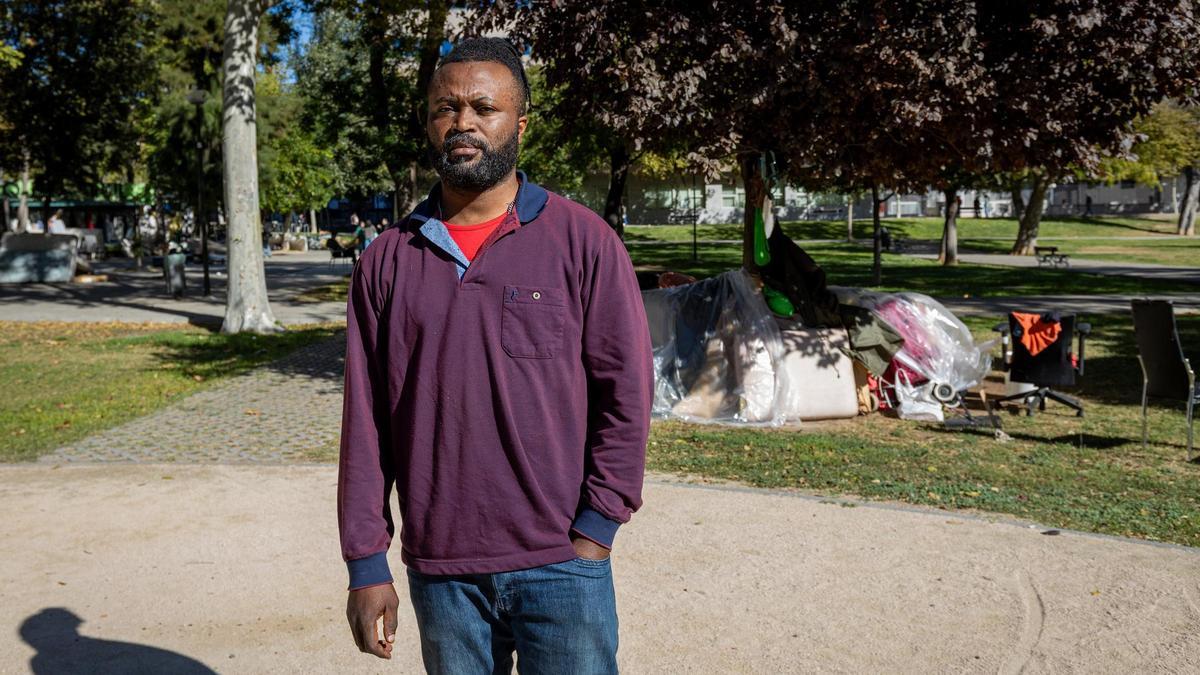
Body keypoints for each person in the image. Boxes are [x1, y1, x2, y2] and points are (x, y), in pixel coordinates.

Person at [339, 37, 653, 673]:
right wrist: (366, 563)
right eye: (444, 109)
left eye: (484, 107)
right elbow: (366, 425)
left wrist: (595, 530)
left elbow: (626, 396)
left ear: (520, 122)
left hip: (562, 566)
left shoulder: (583, 242)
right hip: (442, 571)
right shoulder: (388, 260)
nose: (463, 123)